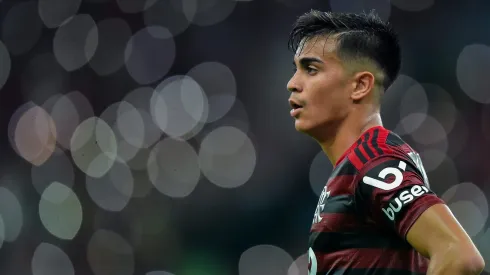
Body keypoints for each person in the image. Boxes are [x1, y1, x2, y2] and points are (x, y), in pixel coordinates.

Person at [287, 10, 485, 275]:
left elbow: (459, 255)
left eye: (311, 69)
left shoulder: (373, 159)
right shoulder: (354, 167)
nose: (292, 83)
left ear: (360, 86)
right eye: (296, 69)